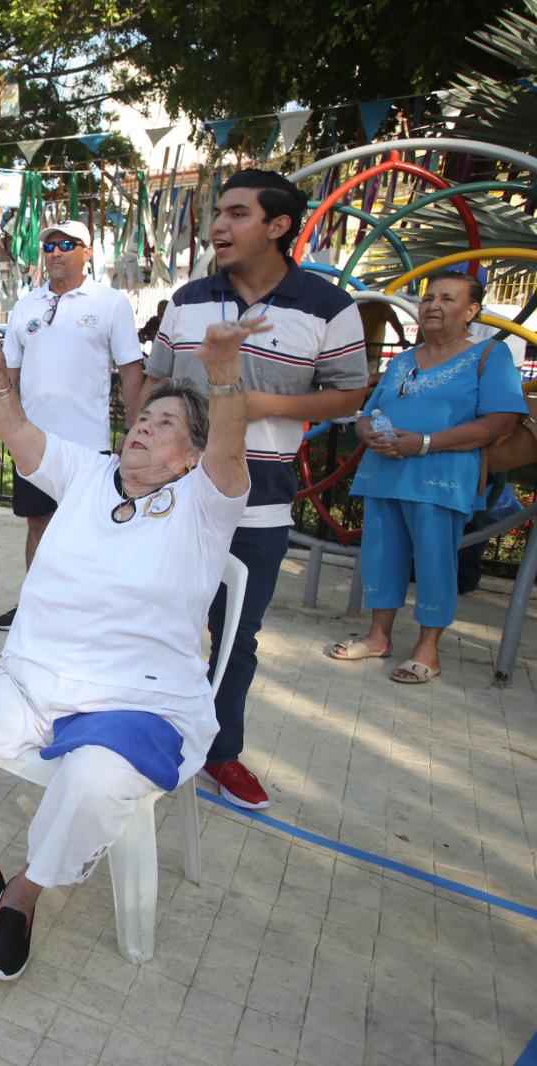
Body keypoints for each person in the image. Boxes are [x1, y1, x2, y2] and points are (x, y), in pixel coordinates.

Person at [0, 295, 255, 981]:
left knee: (90, 785)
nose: (144, 428)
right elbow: (18, 428)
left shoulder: (203, 505)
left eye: (165, 424)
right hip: (36, 673)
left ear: (191, 456)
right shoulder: (87, 472)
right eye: (143, 416)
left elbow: (233, 451)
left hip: (137, 699)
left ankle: (25, 894)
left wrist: (228, 374)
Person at [142, 168, 368, 810]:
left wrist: (251, 401)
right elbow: (154, 383)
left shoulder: (326, 305)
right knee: (159, 619)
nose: (219, 226)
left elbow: (351, 392)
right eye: (218, 213)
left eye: (237, 214)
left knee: (235, 634)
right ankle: (149, 735)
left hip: (261, 500)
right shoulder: (187, 299)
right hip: (176, 496)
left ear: (278, 225)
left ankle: (221, 753)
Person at [326, 272, 526, 684]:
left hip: (442, 479)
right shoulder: (402, 360)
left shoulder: (491, 355)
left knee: (435, 563)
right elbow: (367, 415)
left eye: (447, 299)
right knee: (380, 558)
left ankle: (427, 650)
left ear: (471, 310)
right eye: (428, 297)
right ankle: (378, 636)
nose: (433, 305)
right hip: (385, 474)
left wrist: (425, 443)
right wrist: (367, 432)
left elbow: (500, 420)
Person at [0, 219, 145, 633]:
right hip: (32, 444)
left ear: (86, 252)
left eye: (67, 244)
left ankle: (83, 611)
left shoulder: (110, 304)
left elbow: (131, 371)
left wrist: (136, 429)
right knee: (38, 525)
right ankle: (35, 608)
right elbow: (4, 376)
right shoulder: (26, 305)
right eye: (50, 246)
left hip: (88, 445)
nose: (55, 252)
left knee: (88, 530)